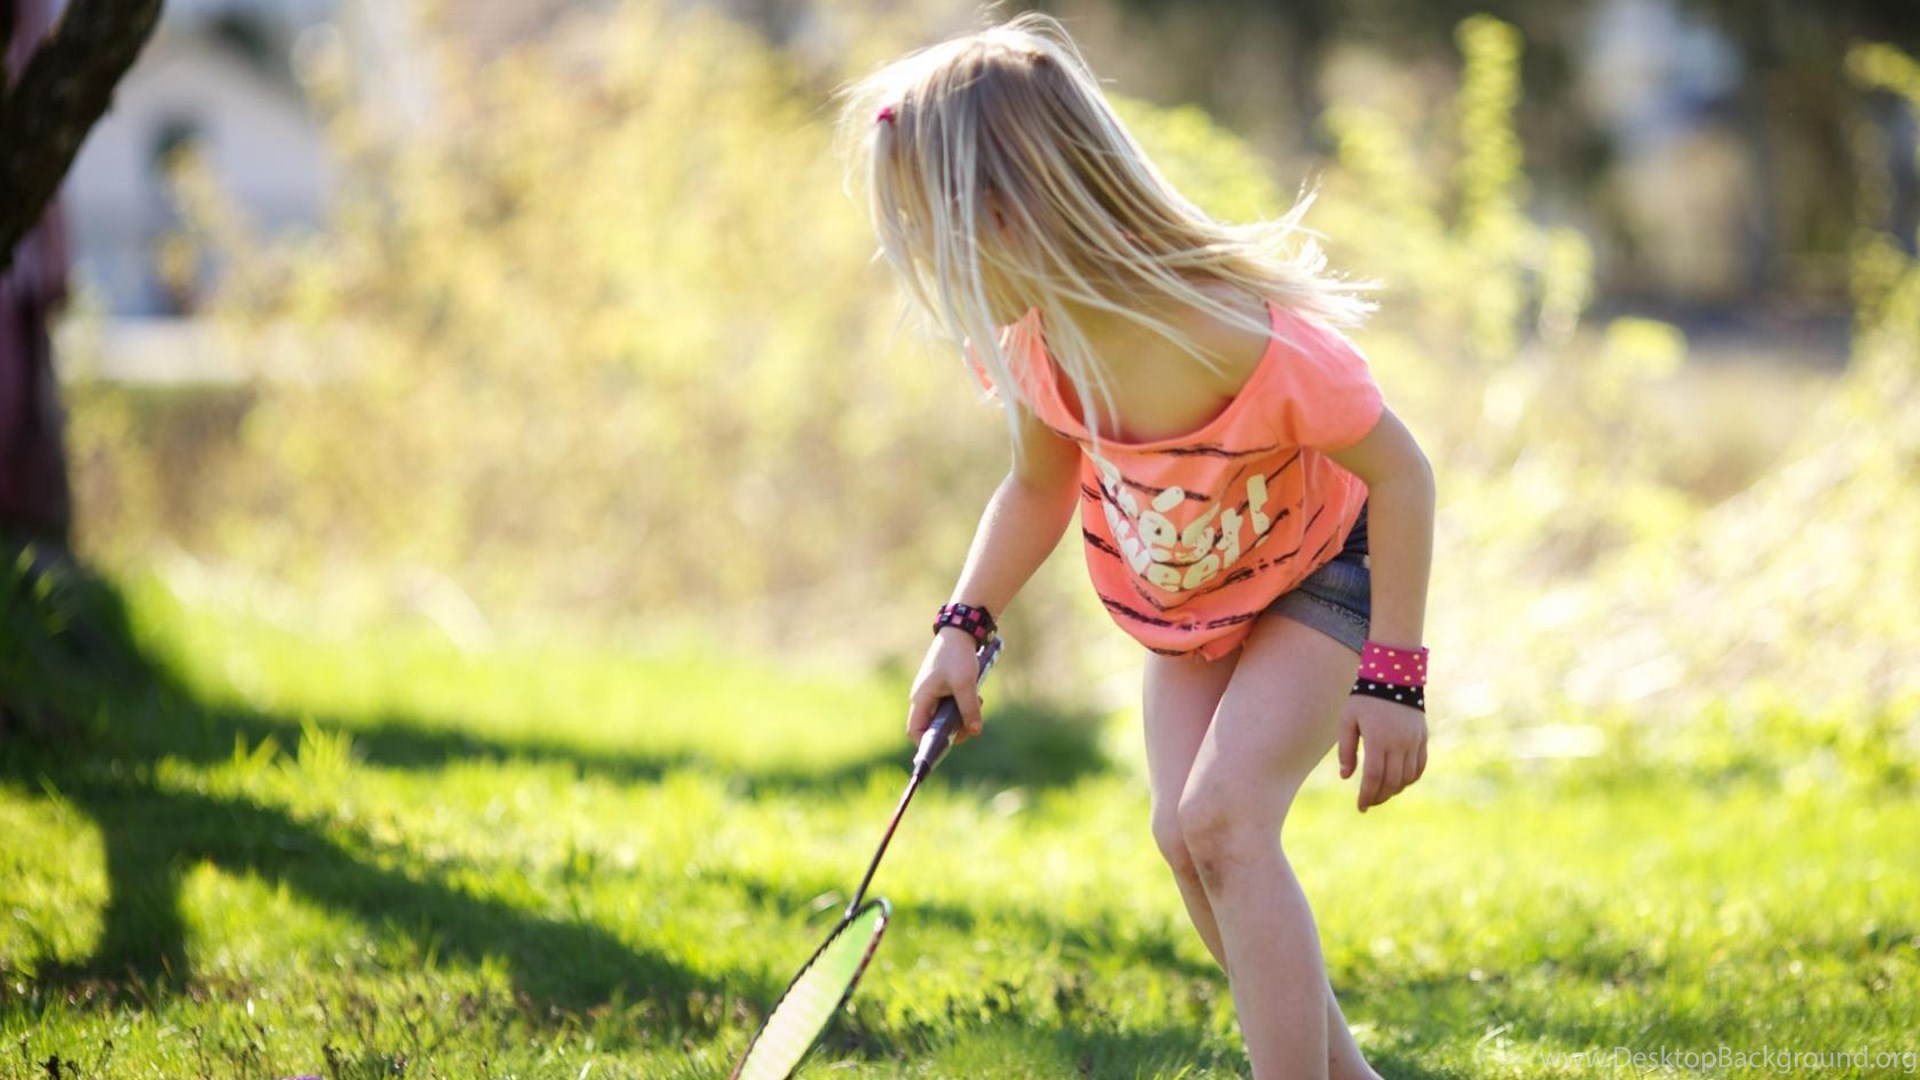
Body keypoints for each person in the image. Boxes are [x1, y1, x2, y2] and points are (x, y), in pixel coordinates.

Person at [834, 13, 1434, 1080]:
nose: (924, 262)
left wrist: (1392, 678)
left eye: (933, 231)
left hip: (1322, 573)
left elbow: (1403, 475)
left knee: (1226, 821)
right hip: (1191, 609)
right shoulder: (1037, 348)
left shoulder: (1238, 337)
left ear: (1016, 209)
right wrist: (962, 628)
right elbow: (1036, 486)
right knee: (1187, 838)